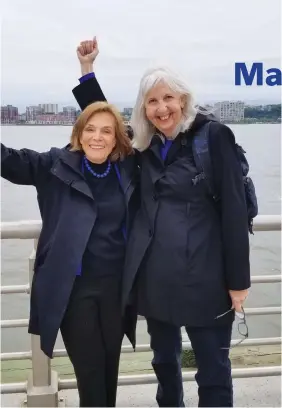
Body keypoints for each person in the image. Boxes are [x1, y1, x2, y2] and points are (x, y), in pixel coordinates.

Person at [72, 38, 251, 407]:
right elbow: (102, 121)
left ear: (183, 99)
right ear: (145, 108)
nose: (161, 108)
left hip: (207, 280)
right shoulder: (143, 147)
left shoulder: (213, 137)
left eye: (168, 98)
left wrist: (238, 283)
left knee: (213, 371)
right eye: (152, 101)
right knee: (165, 365)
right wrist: (87, 71)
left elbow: (235, 212)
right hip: (156, 281)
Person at [1, 101, 140, 407]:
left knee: (109, 369)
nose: (97, 137)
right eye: (89, 129)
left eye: (106, 131)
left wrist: (87, 73)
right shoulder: (55, 165)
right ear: (78, 134)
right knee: (90, 372)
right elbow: (7, 160)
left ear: (116, 137)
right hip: (74, 291)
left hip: (116, 289)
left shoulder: (126, 168)